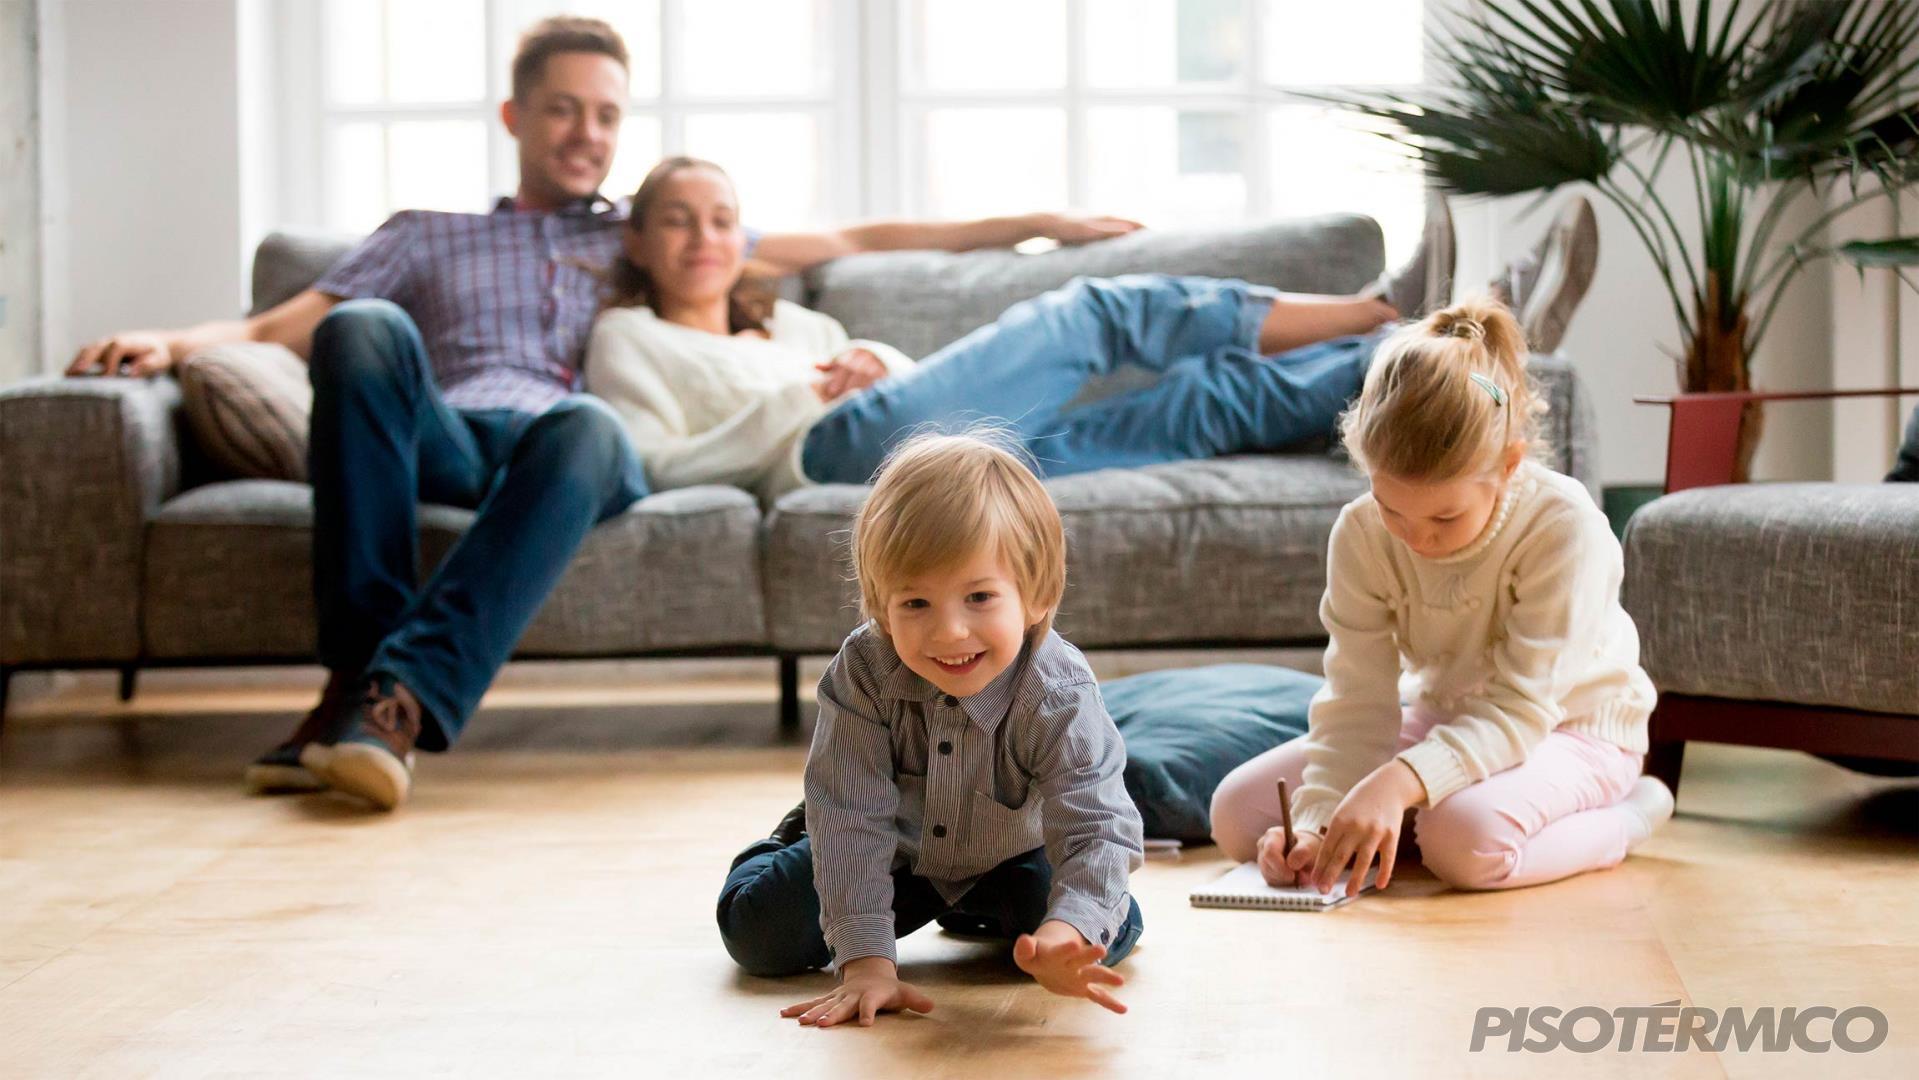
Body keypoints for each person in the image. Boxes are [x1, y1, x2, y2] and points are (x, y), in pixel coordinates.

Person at [64, 16, 1152, 812]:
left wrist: (1038, 220)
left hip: (574, 453)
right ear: (515, 116)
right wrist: (170, 343)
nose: (586, 132)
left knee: (589, 426)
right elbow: (286, 321)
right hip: (451, 436)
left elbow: (859, 243)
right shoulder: (426, 231)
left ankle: (386, 705)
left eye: (605, 114)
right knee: (359, 331)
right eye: (562, 109)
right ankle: (361, 684)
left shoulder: (638, 232)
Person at [585, 157, 1464, 501]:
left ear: (745, 239)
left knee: (1204, 403)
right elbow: (651, 465)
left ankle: (1426, 351)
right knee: (1090, 313)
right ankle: (1379, 304)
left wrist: (869, 359)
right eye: (676, 219)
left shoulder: (795, 321)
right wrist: (797, 397)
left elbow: (906, 384)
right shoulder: (630, 338)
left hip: (935, 459)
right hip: (834, 453)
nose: (704, 238)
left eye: (721, 219)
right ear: (636, 238)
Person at [1207, 298, 1674, 895]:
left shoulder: (1564, 527)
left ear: (1508, 466)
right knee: (1236, 816)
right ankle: (1403, 821)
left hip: (1573, 727)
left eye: (1445, 518)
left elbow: (1522, 709)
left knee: (1463, 845)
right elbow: (1356, 699)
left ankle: (1629, 813)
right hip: (1443, 719)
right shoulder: (1360, 531)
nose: (1416, 538)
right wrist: (1318, 826)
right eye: (1391, 508)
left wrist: (1397, 783)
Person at [715, 433, 1144, 1027]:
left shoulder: (1058, 690)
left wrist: (1064, 931)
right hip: (895, 848)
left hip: (1014, 851)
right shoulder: (864, 671)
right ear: (879, 606)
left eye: (979, 597)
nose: (949, 633)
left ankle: (984, 908)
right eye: (915, 604)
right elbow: (854, 819)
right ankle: (791, 836)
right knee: (757, 934)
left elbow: (1096, 825)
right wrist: (865, 963)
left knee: (1101, 933)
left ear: (1037, 596)